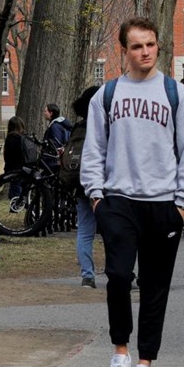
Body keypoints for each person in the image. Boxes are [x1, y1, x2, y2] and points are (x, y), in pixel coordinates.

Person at [80, 17, 184, 367]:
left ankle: (145, 363)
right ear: (125, 50)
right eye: (136, 46)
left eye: (150, 45)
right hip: (118, 201)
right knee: (118, 276)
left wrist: (182, 204)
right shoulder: (107, 95)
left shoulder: (175, 93)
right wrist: (97, 196)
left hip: (164, 203)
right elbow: (94, 148)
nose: (144, 52)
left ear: (158, 47)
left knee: (155, 285)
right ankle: (120, 355)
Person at [68, 86, 100, 288]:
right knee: (117, 232)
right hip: (105, 186)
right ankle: (124, 274)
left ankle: (87, 275)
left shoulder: (78, 127)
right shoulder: (107, 125)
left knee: (85, 231)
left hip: (80, 185)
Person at [42, 103, 72, 169]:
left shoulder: (55, 126)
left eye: (45, 111)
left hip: (53, 160)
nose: (44, 113)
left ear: (51, 113)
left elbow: (56, 143)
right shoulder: (55, 125)